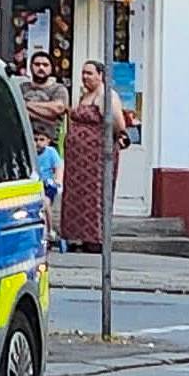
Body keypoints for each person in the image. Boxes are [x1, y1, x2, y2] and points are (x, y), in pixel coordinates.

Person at [59, 60, 128, 252]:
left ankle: (95, 238)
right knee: (77, 195)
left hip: (96, 157)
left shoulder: (106, 95)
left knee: (95, 194)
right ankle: (77, 236)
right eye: (83, 73)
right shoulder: (85, 95)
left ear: (100, 75)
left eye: (89, 73)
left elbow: (118, 123)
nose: (85, 77)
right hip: (78, 160)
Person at [19, 51, 69, 144]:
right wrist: (46, 115)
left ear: (51, 68)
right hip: (23, 142)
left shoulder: (59, 89)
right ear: (31, 67)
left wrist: (25, 104)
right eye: (37, 64)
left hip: (49, 143)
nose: (41, 68)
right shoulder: (22, 87)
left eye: (45, 65)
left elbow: (58, 108)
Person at [35, 129, 63, 245]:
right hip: (35, 183)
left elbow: (58, 167)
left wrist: (57, 180)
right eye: (36, 139)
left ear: (48, 141)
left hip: (48, 184)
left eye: (42, 140)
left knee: (46, 203)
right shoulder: (31, 152)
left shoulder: (51, 152)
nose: (38, 143)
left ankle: (50, 230)